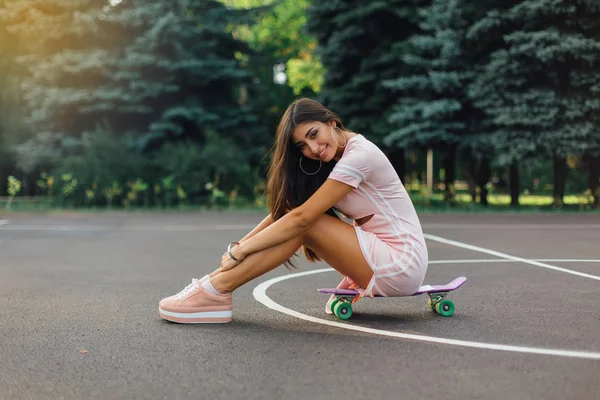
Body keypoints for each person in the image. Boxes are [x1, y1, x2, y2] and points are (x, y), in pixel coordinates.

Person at [158, 98, 429, 323]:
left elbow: (301, 218)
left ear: (331, 122)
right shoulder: (332, 160)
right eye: (302, 146)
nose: (313, 149)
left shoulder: (360, 156)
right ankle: (211, 285)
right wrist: (240, 245)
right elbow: (286, 212)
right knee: (302, 217)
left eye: (314, 134)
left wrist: (239, 252)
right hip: (382, 258)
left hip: (402, 262)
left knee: (308, 223)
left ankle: (217, 292)